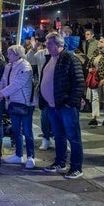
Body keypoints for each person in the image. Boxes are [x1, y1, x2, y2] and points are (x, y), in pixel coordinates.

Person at [40, 32, 85, 179]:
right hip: (53, 105)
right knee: (59, 136)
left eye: (49, 44)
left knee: (73, 137)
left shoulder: (70, 59)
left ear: (59, 45)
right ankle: (60, 162)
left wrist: (70, 102)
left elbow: (78, 82)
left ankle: (76, 167)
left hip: (65, 106)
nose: (47, 46)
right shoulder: (51, 59)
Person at [0, 45, 36, 169]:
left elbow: (18, 84)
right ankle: (18, 154)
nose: (8, 56)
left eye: (10, 54)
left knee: (27, 131)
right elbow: (3, 81)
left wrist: (1, 94)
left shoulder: (25, 66)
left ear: (18, 54)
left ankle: (30, 156)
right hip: (13, 102)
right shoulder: (8, 66)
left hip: (25, 102)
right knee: (16, 130)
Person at [26, 37, 53, 151]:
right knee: (45, 116)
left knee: (58, 117)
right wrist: (33, 48)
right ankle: (46, 138)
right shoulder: (41, 54)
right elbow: (29, 59)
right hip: (44, 88)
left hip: (57, 89)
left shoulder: (60, 54)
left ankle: (60, 138)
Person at [86, 36, 104, 126]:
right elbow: (90, 65)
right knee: (95, 98)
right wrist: (90, 69)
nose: (99, 42)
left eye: (102, 41)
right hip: (95, 80)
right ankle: (94, 117)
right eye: (99, 41)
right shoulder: (95, 54)